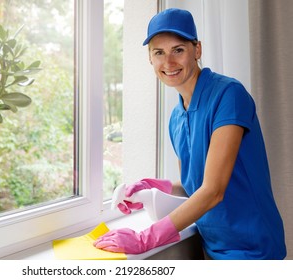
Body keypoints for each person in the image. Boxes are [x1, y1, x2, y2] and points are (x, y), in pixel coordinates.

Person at [93, 8, 286, 260]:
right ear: (150, 59)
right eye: (159, 52)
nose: (169, 62)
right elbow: (193, 184)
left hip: (253, 250)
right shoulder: (176, 117)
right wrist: (153, 188)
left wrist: (145, 238)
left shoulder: (229, 95)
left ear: (197, 50)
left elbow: (213, 190)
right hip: (214, 246)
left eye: (178, 50)